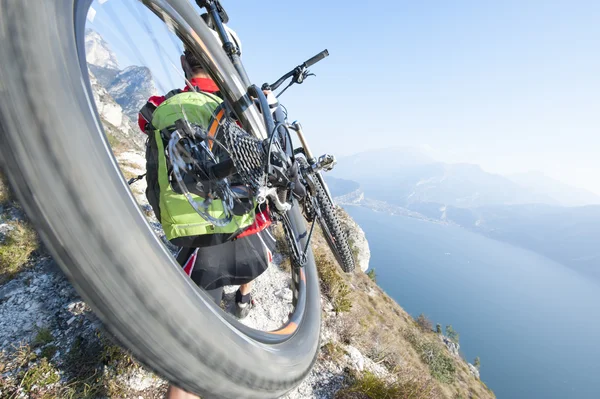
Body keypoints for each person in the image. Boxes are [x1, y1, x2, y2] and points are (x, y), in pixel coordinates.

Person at [138, 44, 274, 316]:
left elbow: (144, 122)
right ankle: (243, 299)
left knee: (204, 299)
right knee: (251, 219)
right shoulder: (244, 110)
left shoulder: (162, 104)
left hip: (196, 233)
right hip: (248, 231)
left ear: (183, 63)